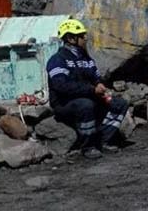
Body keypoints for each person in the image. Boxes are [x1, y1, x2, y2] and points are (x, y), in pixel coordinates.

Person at [46, 18, 129, 159]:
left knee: (119, 104)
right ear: (71, 39)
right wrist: (91, 90)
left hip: (89, 98)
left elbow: (96, 77)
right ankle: (88, 146)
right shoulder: (58, 60)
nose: (85, 39)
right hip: (64, 103)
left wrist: (100, 84)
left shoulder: (87, 59)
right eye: (82, 36)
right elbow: (61, 86)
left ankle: (104, 140)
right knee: (85, 105)